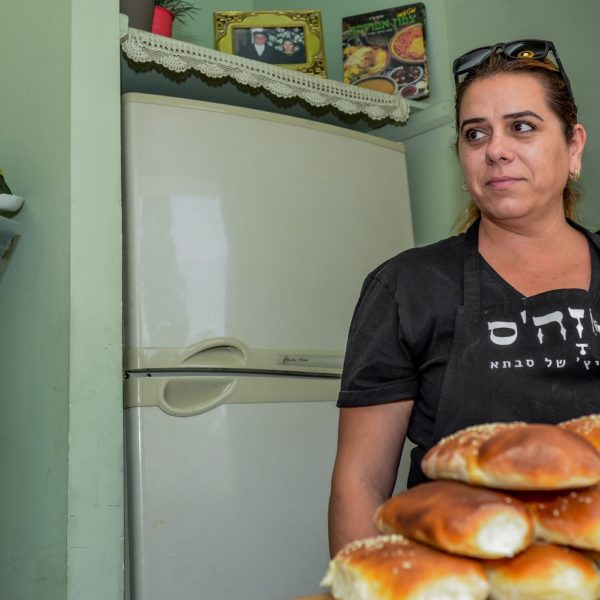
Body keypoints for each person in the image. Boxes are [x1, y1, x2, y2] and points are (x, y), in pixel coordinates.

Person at [328, 39, 600, 557]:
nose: (496, 150)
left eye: (522, 127)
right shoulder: (405, 286)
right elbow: (361, 478)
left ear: (574, 146)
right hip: (460, 575)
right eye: (475, 133)